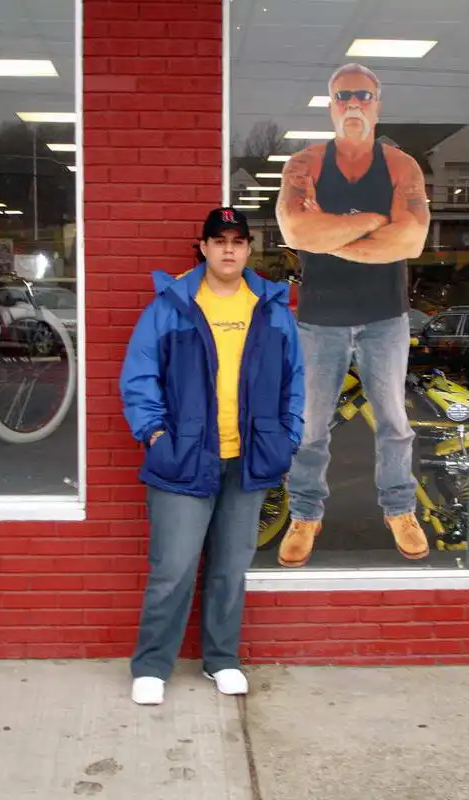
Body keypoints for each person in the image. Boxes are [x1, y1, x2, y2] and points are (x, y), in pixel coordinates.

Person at [120, 207, 304, 705]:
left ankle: (221, 660)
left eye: (237, 241)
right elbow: (139, 376)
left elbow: (294, 379)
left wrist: (287, 436)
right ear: (202, 247)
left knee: (230, 569)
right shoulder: (173, 304)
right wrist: (155, 434)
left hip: (248, 459)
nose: (228, 249)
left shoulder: (270, 307)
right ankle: (152, 665)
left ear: (248, 249)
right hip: (183, 457)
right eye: (219, 241)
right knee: (173, 568)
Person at [275, 63, 431, 567]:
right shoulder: (305, 164)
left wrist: (330, 233)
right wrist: (373, 222)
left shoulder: (401, 165)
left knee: (394, 422)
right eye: (344, 96)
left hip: (386, 317)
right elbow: (297, 232)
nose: (354, 104)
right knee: (310, 426)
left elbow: (411, 239)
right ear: (331, 106)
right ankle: (305, 515)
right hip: (320, 320)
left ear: (377, 105)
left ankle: (400, 509)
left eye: (363, 95)